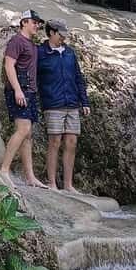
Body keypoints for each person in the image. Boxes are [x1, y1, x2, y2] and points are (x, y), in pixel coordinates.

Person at [37, 20, 90, 192]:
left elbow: (78, 78)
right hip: (53, 104)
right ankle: (52, 183)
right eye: (61, 35)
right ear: (51, 33)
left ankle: (68, 185)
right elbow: (33, 77)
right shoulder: (40, 53)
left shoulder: (69, 53)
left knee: (72, 142)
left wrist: (85, 101)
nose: (63, 38)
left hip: (72, 103)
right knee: (54, 141)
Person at [0, 9, 47, 190]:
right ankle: (4, 170)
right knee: (23, 129)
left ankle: (30, 177)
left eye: (38, 23)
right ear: (24, 23)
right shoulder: (17, 41)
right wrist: (18, 90)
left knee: (27, 135)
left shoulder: (32, 44)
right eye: (34, 22)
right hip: (20, 90)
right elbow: (9, 65)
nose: (37, 25)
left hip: (30, 91)